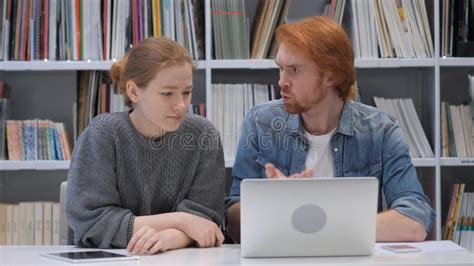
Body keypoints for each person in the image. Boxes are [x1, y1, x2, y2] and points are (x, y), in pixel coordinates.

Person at [225, 16, 435, 243]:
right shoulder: (260, 122)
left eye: (294, 70)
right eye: (280, 69)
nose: (281, 82)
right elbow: (233, 222)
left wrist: (320, 224)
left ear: (331, 76)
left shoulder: (381, 130)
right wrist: (274, 202)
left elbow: (415, 221)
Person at [66, 37, 225, 255]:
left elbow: (206, 221)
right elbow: (93, 224)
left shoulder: (204, 135)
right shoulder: (102, 134)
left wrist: (167, 238)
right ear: (133, 92)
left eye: (186, 92)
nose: (181, 105)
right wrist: (181, 220)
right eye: (167, 93)